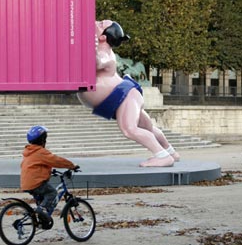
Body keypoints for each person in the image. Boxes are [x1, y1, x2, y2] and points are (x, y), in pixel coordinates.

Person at [77, 20, 180, 167]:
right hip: (123, 97)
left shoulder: (104, 54)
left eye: (101, 25)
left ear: (102, 37)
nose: (97, 22)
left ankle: (163, 156)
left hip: (123, 96)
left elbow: (95, 63)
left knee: (129, 129)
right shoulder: (101, 50)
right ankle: (170, 152)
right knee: (148, 128)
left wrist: (90, 47)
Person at [20, 125, 77, 227]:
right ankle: (41, 210)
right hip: (36, 183)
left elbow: (36, 166)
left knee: (42, 198)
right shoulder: (40, 152)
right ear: (42, 140)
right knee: (52, 193)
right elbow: (56, 160)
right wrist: (71, 166)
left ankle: (41, 220)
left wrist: (48, 171)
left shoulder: (29, 152)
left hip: (26, 183)